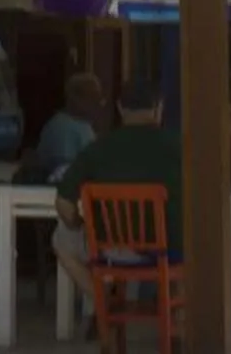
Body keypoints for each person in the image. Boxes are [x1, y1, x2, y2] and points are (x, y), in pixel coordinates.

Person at [53, 78, 184, 304]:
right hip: (174, 249)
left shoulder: (96, 149)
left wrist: (80, 224)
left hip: (114, 249)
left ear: (120, 108)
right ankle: (178, 314)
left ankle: (104, 302)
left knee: (61, 239)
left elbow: (63, 204)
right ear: (159, 107)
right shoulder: (182, 146)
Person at [24, 72, 103, 182]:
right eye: (93, 97)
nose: (98, 103)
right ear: (76, 98)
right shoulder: (63, 127)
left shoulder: (83, 124)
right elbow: (64, 171)